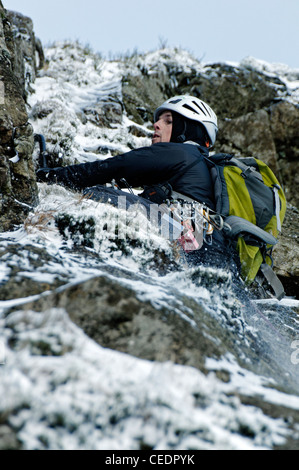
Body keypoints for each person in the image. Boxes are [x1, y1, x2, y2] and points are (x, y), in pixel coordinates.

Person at [36, 95, 239, 274]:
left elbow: (112, 168)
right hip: (208, 246)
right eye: (158, 120)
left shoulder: (182, 153)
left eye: (168, 121)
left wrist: (49, 176)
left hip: (190, 235)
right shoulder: (201, 165)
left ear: (188, 130)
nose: (156, 125)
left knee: (99, 194)